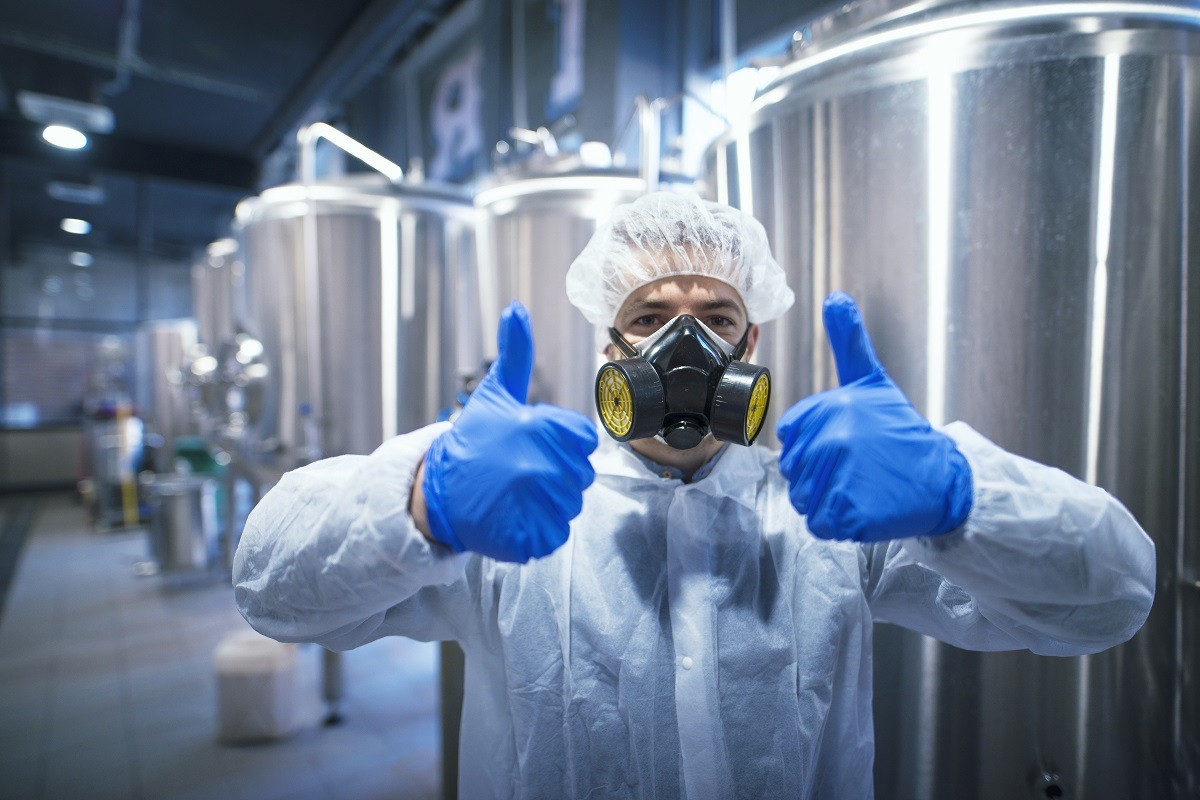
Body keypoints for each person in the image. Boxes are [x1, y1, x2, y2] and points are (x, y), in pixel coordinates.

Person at [234, 191, 1155, 799]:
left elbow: (1113, 598)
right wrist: (421, 505)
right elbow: (269, 587)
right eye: (648, 317)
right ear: (609, 348)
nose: (686, 347)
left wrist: (963, 498)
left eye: (715, 319)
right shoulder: (516, 499)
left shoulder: (831, 504)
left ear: (751, 344)